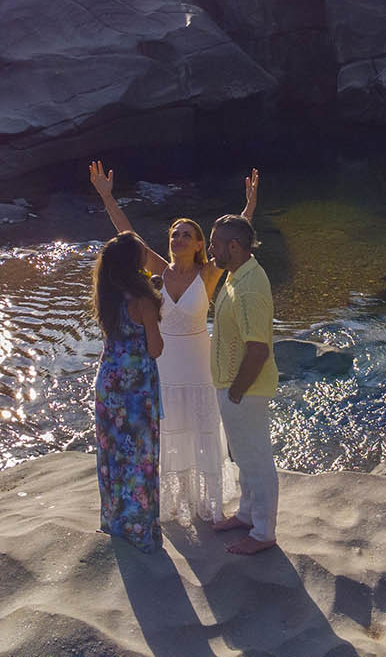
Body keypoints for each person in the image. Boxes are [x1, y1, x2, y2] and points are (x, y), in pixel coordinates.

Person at [88, 161, 258, 524]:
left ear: (199, 244)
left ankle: (208, 505)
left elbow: (235, 243)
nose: (177, 239)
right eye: (174, 234)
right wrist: (107, 196)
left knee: (202, 430)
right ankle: (172, 502)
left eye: (185, 235)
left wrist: (249, 208)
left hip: (199, 364)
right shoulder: (158, 271)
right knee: (168, 435)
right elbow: (127, 235)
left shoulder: (209, 273)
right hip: (163, 366)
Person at [207, 214, 280, 555]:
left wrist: (236, 390)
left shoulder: (248, 286)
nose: (209, 249)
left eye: (214, 243)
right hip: (233, 386)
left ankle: (263, 532)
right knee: (245, 458)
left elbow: (258, 348)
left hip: (244, 390)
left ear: (233, 247)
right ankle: (248, 515)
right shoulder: (238, 274)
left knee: (256, 461)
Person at [91, 231, 165, 553]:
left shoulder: (106, 293)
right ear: (135, 262)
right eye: (143, 250)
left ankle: (117, 522)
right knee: (141, 457)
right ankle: (141, 529)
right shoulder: (143, 299)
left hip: (109, 384)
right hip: (136, 389)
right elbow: (156, 348)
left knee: (114, 455)